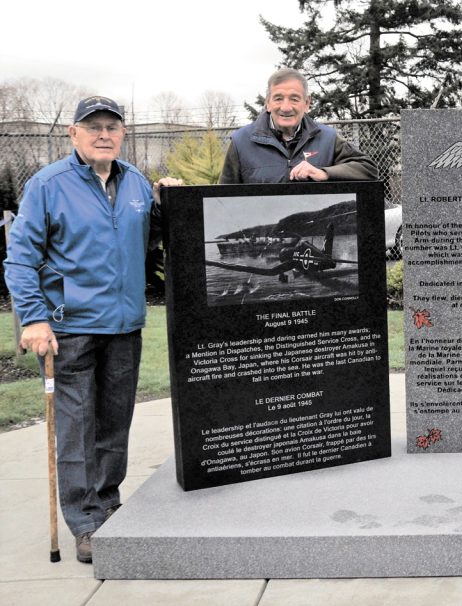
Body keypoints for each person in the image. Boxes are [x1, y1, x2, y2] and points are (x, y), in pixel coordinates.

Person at [4, 96, 182, 562]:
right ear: (74, 134)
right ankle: (85, 521)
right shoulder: (48, 184)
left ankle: (108, 504)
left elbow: (153, 239)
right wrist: (35, 318)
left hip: (124, 324)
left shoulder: (137, 183)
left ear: (123, 134)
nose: (104, 134)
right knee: (78, 425)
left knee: (114, 423)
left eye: (112, 127)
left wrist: (170, 203)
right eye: (94, 126)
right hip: (71, 328)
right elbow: (20, 258)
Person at [219, 68, 379, 184]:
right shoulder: (241, 142)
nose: (286, 107)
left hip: (315, 229)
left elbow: (368, 169)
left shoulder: (327, 138)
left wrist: (324, 173)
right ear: (267, 103)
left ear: (307, 103)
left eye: (294, 99)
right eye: (278, 98)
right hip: (262, 231)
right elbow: (222, 200)